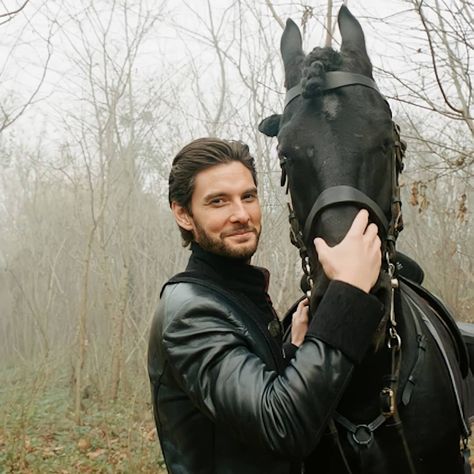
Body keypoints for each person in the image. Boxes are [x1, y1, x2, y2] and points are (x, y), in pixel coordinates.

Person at [148, 137, 384, 474]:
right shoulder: (189, 313)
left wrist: (293, 351)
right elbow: (281, 425)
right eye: (218, 202)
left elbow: (248, 405)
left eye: (248, 196)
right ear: (183, 214)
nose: (241, 215)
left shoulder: (233, 292)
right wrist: (348, 292)